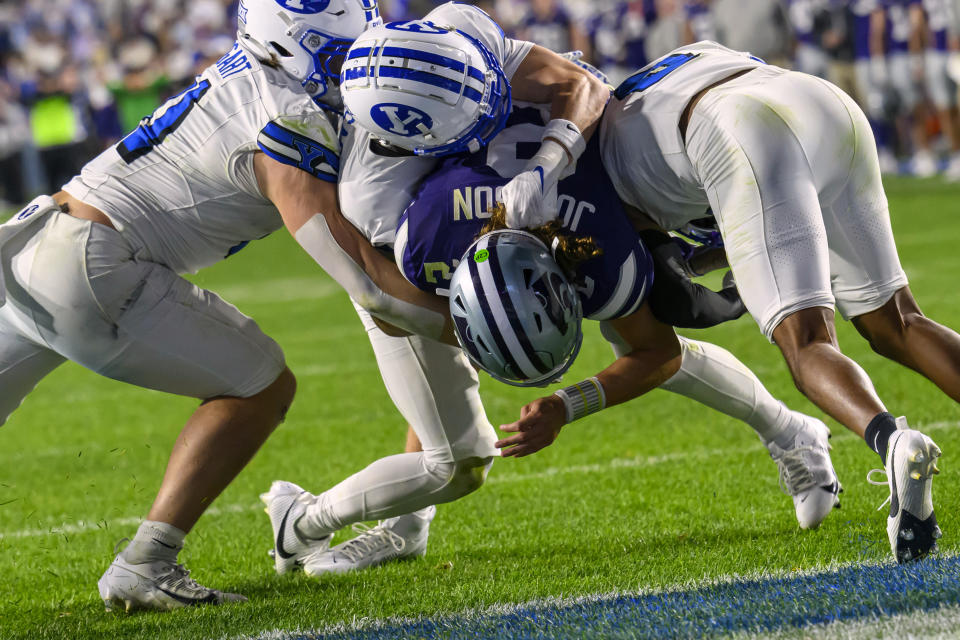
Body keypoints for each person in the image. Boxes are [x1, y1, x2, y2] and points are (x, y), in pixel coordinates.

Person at [264, 17, 841, 576]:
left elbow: (581, 88)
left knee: (640, 315)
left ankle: (789, 431)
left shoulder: (466, 48)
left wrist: (547, 170)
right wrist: (479, 340)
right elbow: (385, 297)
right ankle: (347, 521)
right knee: (458, 457)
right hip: (398, 275)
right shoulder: (389, 218)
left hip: (583, 169)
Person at [0, 0, 452, 611]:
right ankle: (147, 563)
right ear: (289, 43)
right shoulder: (287, 116)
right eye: (336, 52)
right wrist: (464, 327)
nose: (350, 66)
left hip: (38, 241)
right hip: (95, 267)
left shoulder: (249, 72)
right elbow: (366, 283)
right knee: (261, 386)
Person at [578, 40, 952, 563]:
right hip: (820, 101)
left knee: (808, 345)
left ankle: (893, 443)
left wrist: (736, 295)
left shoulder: (596, 171)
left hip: (737, 131)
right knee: (900, 321)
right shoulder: (658, 75)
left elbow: (676, 294)